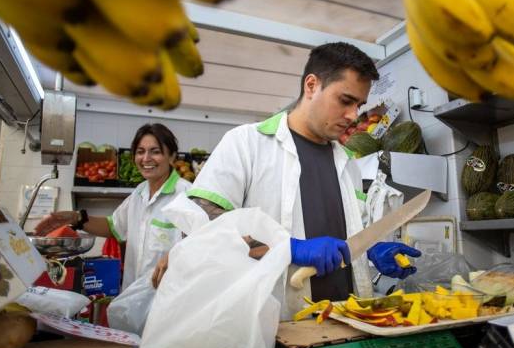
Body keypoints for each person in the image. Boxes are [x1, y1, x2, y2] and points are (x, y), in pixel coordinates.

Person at [152, 42, 421, 319]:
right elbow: (199, 228)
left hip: (346, 321)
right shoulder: (246, 143)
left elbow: (345, 238)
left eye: (359, 105)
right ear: (312, 85)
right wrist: (290, 249)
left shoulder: (349, 163)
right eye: (345, 100)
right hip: (274, 327)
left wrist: (369, 250)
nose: (354, 115)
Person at [33, 123, 193, 291]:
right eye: (140, 152)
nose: (146, 159)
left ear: (172, 156)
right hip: (133, 295)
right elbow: (113, 226)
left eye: (155, 151)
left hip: (169, 298)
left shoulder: (187, 195)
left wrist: (174, 255)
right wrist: (75, 218)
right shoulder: (139, 193)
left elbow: (204, 242)